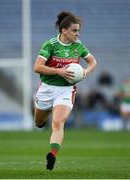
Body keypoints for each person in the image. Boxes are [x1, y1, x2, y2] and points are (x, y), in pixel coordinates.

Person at [34, 11, 97, 170]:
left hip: (66, 90)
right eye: (75, 30)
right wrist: (59, 71)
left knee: (58, 122)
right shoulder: (50, 44)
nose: (78, 33)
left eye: (78, 30)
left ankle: (52, 155)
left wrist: (85, 72)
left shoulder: (79, 46)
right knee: (39, 122)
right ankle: (43, 116)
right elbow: (37, 67)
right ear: (64, 31)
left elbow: (92, 61)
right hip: (47, 89)